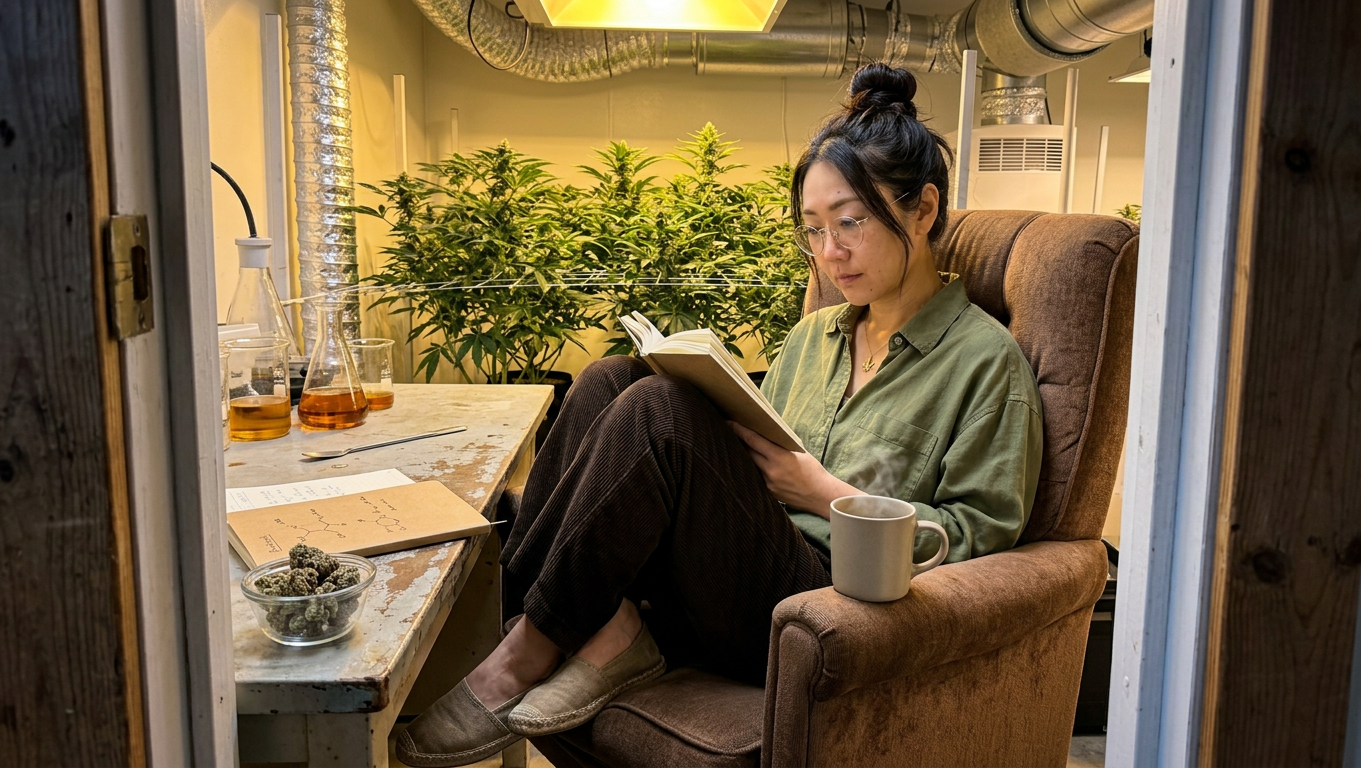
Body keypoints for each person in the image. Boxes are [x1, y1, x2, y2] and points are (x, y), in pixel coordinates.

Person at [396, 62, 1044, 768]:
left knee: (660, 410)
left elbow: (977, 540)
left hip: (819, 604)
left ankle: (526, 650)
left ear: (922, 209)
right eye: (814, 230)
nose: (830, 253)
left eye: (851, 221)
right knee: (611, 377)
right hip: (723, 571)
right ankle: (584, 626)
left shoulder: (986, 362)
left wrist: (823, 493)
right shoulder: (814, 337)